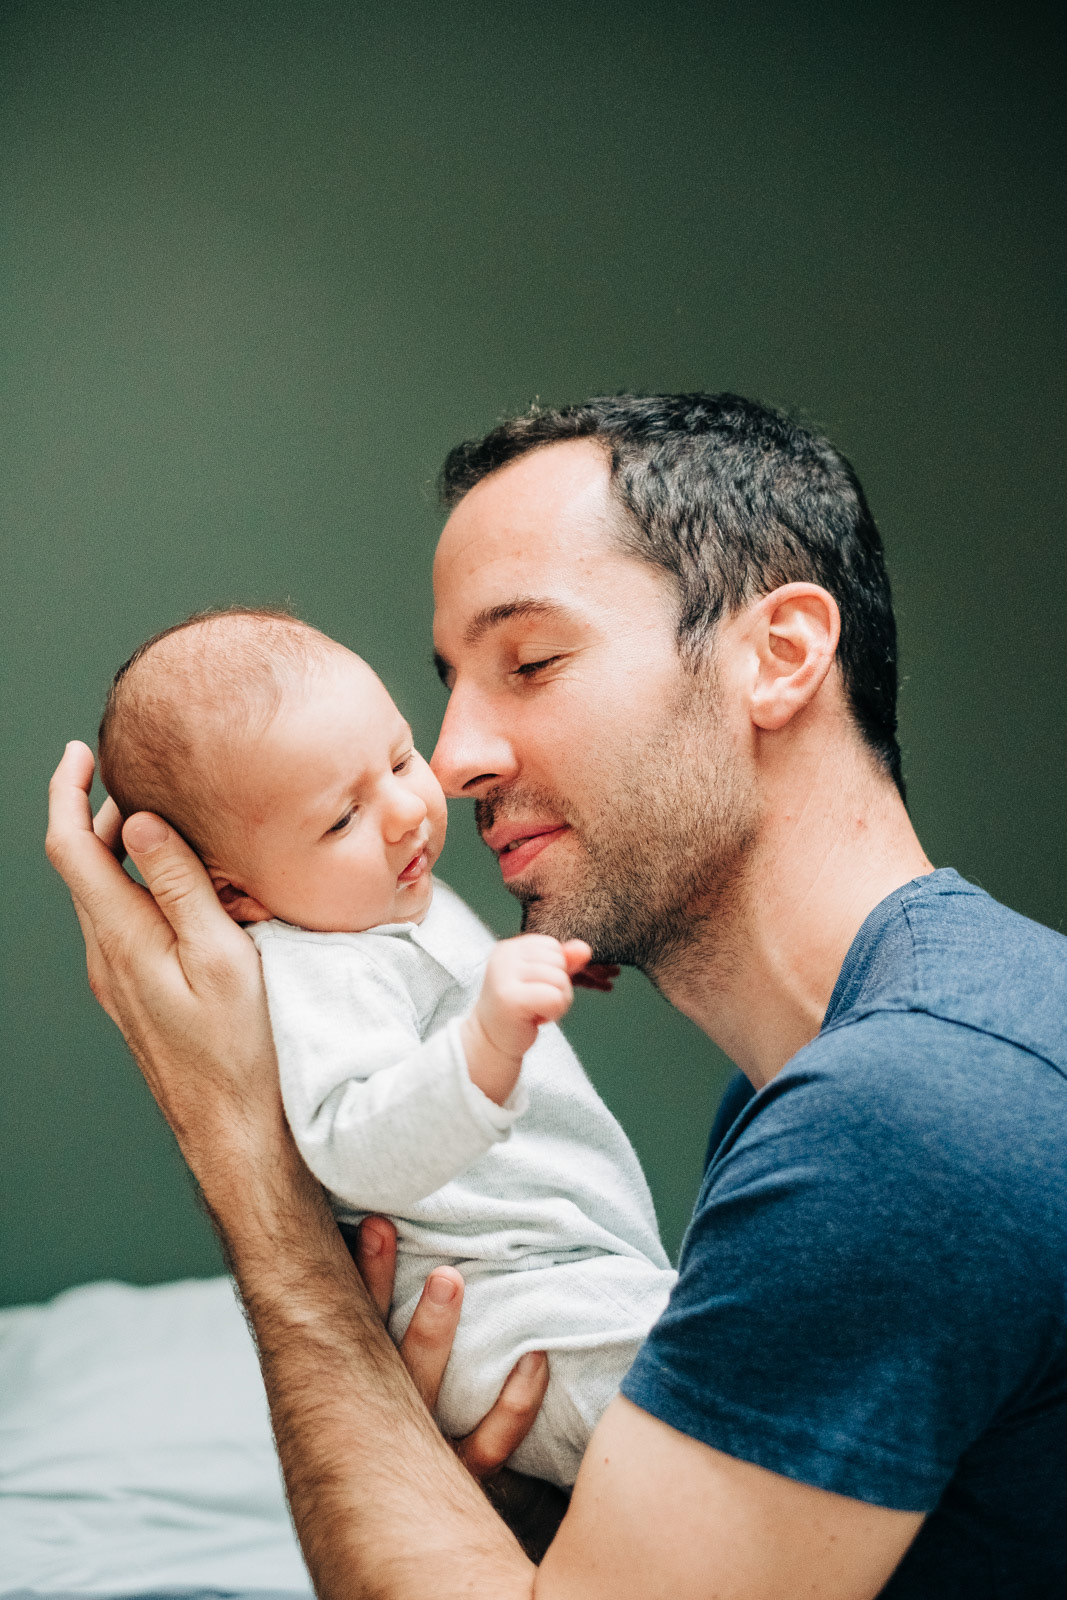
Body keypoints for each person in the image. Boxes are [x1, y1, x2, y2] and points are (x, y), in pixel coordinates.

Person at [47, 393, 1067, 1599]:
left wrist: (249, 1167)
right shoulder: (843, 1076)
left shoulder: (906, 1121)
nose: (450, 759)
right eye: (448, 686)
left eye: (528, 661)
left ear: (781, 654)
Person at [95, 609, 675, 1488]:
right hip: (495, 1310)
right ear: (237, 896)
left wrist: (529, 970)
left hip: (562, 1269)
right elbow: (351, 1142)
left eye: (400, 758)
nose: (408, 810)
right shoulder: (314, 964)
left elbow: (441, 981)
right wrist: (487, 1034)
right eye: (341, 819)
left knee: (719, 1364)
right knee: (714, 1392)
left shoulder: (383, 898)